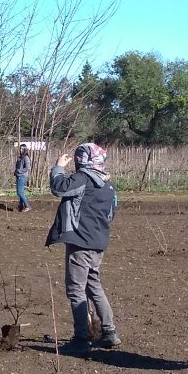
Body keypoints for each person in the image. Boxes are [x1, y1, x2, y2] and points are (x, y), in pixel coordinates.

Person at [45, 142, 121, 352]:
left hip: (80, 243)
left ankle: (81, 339)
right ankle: (109, 332)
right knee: (94, 286)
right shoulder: (107, 184)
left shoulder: (84, 179)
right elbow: (112, 213)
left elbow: (59, 188)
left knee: (76, 290)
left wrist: (58, 167)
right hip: (98, 243)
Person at [14, 143, 32, 212]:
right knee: (21, 191)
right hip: (18, 175)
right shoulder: (20, 157)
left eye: (22, 148)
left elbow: (28, 167)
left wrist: (20, 171)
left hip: (22, 176)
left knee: (19, 192)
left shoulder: (26, 157)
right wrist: (16, 171)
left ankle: (27, 206)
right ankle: (20, 206)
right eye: (20, 148)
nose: (21, 150)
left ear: (25, 149)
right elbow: (18, 166)